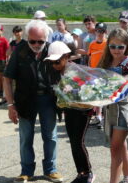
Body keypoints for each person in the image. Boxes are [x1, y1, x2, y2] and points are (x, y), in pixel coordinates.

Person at [3, 20, 63, 183]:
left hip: (48, 98)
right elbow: (7, 78)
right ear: (27, 37)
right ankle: (26, 171)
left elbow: (65, 71)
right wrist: (10, 105)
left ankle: (50, 170)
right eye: (32, 41)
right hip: (25, 99)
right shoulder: (20, 50)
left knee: (50, 136)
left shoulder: (52, 50)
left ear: (46, 38)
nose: (36, 45)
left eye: (40, 41)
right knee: (26, 136)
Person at [44, 41, 95, 183]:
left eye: (57, 61)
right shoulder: (57, 72)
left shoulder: (76, 70)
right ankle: (81, 173)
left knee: (78, 142)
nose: (54, 65)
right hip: (70, 111)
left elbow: (89, 89)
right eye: (52, 62)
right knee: (73, 142)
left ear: (66, 57)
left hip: (82, 111)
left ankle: (88, 173)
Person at [98, 28, 128, 183]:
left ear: (127, 46)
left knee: (115, 149)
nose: (116, 50)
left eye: (120, 47)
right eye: (113, 46)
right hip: (110, 108)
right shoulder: (106, 62)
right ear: (108, 45)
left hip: (123, 109)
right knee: (121, 146)